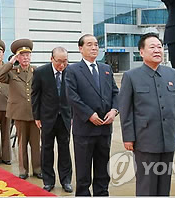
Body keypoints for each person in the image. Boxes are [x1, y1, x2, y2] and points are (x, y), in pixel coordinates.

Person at [119, 33, 175, 196]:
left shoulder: (172, 73)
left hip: (168, 139)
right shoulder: (131, 76)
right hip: (145, 139)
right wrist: (128, 137)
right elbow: (126, 110)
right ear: (141, 52)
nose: (157, 50)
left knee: (164, 183)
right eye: (152, 47)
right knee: (146, 184)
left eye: (159, 47)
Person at [65, 34, 119, 196]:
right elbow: (72, 96)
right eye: (89, 44)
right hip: (85, 129)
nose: (94, 47)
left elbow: (116, 93)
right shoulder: (72, 70)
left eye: (96, 44)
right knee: (83, 171)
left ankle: (102, 194)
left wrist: (114, 110)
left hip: (104, 128)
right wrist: (89, 114)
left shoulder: (106, 69)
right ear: (80, 49)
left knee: (103, 170)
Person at [0, 39, 42, 180]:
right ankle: (23, 170)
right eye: (22, 55)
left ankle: (37, 168)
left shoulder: (37, 71)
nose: (26, 58)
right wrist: (11, 63)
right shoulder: (12, 72)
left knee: (35, 143)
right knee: (22, 143)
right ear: (17, 57)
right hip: (19, 112)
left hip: (34, 113)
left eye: (28, 55)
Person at [31, 47, 73, 192]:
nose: (62, 65)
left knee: (65, 150)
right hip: (47, 117)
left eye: (65, 61)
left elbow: (74, 96)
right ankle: (48, 181)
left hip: (65, 118)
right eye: (59, 62)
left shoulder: (71, 72)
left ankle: (66, 180)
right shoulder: (40, 72)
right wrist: (36, 116)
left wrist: (73, 115)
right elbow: (35, 96)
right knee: (47, 149)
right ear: (51, 59)